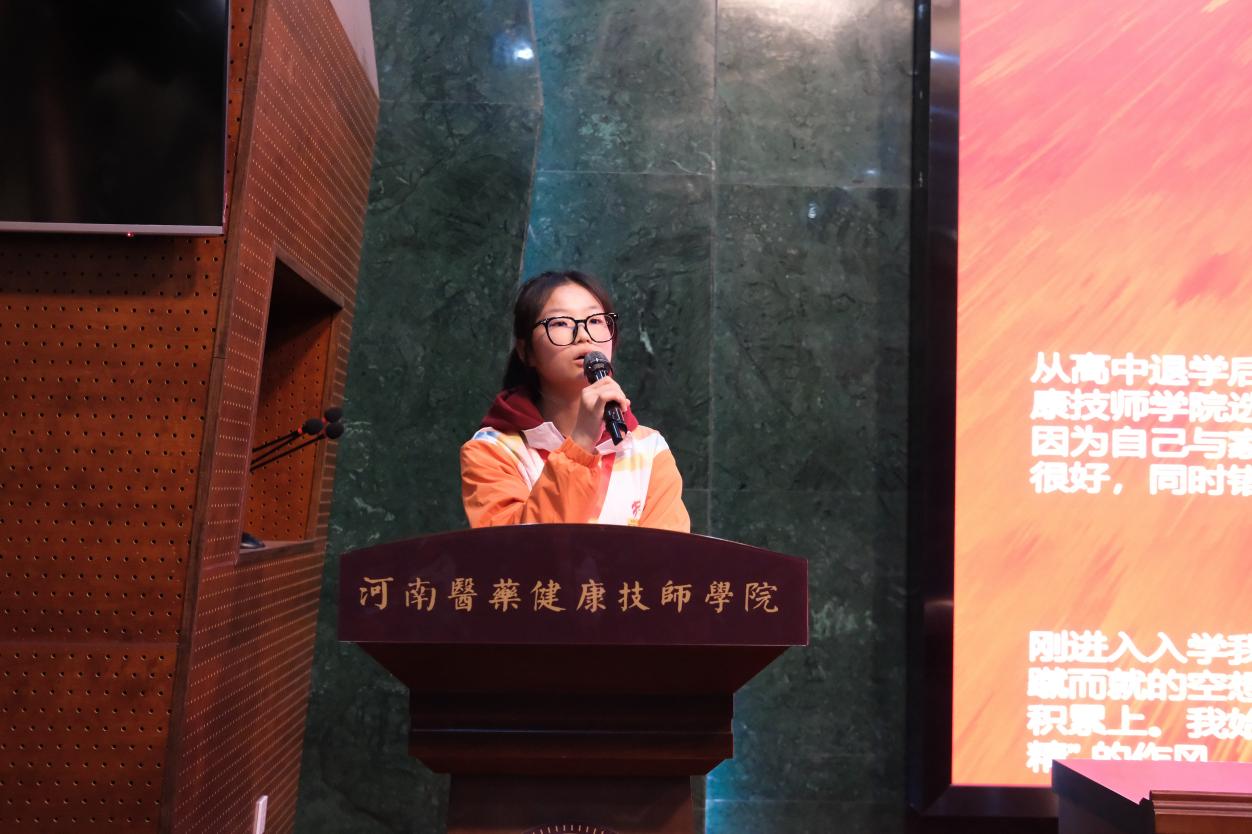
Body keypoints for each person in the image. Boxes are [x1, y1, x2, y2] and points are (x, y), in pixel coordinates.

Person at [461, 270, 690, 532]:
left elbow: (667, 553)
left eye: (595, 320)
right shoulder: (494, 451)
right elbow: (512, 549)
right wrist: (580, 443)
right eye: (560, 323)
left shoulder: (649, 450)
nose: (583, 335)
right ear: (526, 352)